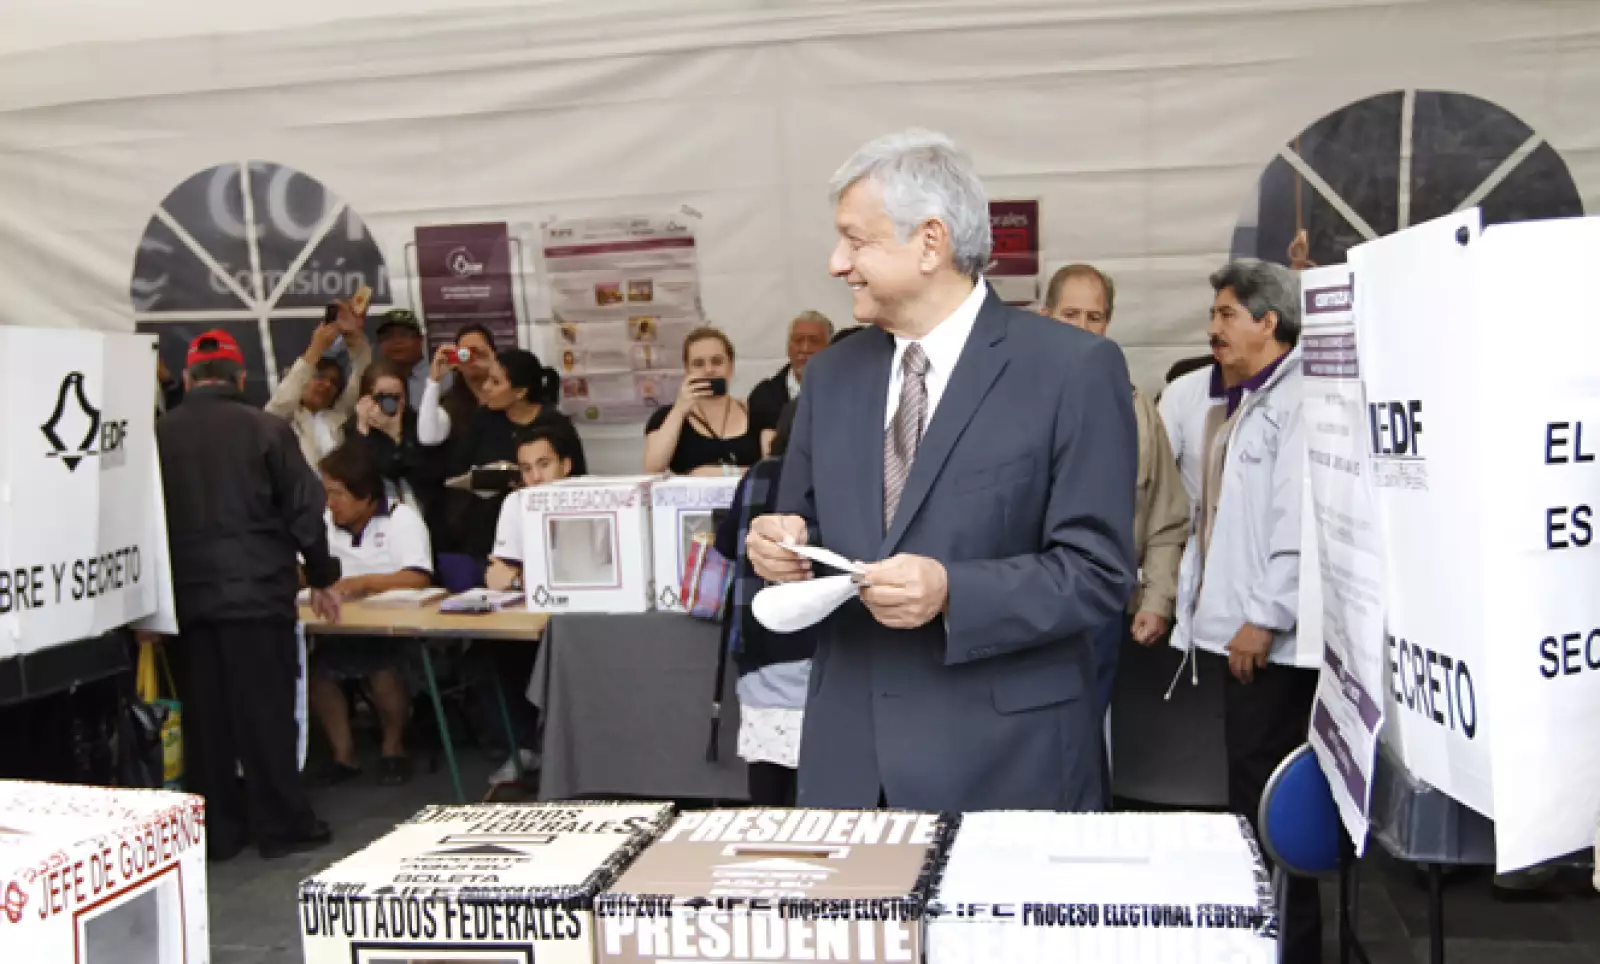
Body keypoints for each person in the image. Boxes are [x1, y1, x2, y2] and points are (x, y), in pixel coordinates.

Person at [746, 129, 1137, 812]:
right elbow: (802, 517)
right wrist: (778, 543)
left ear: (931, 242)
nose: (837, 263)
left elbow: (1098, 574)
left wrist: (954, 591)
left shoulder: (1072, 370)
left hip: (1007, 764)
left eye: (855, 240)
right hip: (850, 759)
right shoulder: (833, 375)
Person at [1172, 259, 1318, 960]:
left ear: (1269, 321)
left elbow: (1294, 526)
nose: (1213, 329)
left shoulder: (1296, 402)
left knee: (1268, 797)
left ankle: (1289, 941)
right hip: (1240, 628)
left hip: (1271, 641)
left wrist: (1262, 617)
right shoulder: (1243, 399)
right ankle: (1267, 930)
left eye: (1228, 315)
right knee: (1248, 790)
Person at [155, 329, 339, 861]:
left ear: (188, 379)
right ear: (240, 378)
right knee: (265, 715)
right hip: (258, 596)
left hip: (185, 600)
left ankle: (218, 832)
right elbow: (305, 510)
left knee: (205, 719)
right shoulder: (266, 430)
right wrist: (323, 577)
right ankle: (281, 826)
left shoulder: (158, 436)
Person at [310, 443, 434, 787]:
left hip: (395, 630)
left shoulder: (401, 519)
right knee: (320, 674)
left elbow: (418, 576)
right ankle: (343, 754)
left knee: (383, 669)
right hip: (341, 627)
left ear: (365, 496)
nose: (329, 503)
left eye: (337, 494)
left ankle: (393, 747)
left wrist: (365, 582)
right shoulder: (325, 523)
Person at [717, 400, 815, 806]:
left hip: (759, 636)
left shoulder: (759, 474)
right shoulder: (834, 476)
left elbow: (725, 543)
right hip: (815, 639)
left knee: (768, 776)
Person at [420, 349, 586, 561]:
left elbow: (577, 480)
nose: (486, 387)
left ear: (520, 392)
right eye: (488, 378)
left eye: (496, 382)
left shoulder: (556, 426)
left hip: (546, 533)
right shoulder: (483, 419)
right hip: (486, 531)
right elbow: (457, 467)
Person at [643, 328, 765, 475]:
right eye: (698, 364)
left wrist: (715, 473)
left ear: (731, 366)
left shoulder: (756, 411)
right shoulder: (666, 417)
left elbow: (772, 470)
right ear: (687, 370)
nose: (709, 370)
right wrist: (680, 409)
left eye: (717, 361)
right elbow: (653, 468)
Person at [265, 305, 370, 469]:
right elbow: (283, 401)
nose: (327, 384)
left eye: (334, 382)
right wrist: (316, 348)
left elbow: (363, 375)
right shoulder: (283, 421)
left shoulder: (337, 416)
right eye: (319, 376)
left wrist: (354, 339)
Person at [485, 424, 586, 591]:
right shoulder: (516, 502)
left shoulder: (592, 501)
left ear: (566, 465)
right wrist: (513, 579)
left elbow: (582, 579)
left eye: (544, 464)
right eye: (527, 469)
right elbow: (500, 577)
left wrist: (518, 581)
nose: (536, 477)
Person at [343, 361, 429, 515]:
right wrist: (362, 430)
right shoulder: (353, 428)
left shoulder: (417, 424)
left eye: (396, 397)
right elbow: (356, 476)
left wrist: (396, 436)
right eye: (381, 396)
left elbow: (421, 475)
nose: (389, 403)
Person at [747, 311, 834, 436]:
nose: (805, 349)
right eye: (798, 340)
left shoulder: (844, 394)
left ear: (830, 348)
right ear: (788, 347)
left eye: (814, 341)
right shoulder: (764, 396)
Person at [374, 309, 432, 408]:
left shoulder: (442, 377)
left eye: (404, 334)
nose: (397, 341)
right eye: (387, 336)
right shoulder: (373, 380)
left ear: (420, 339)